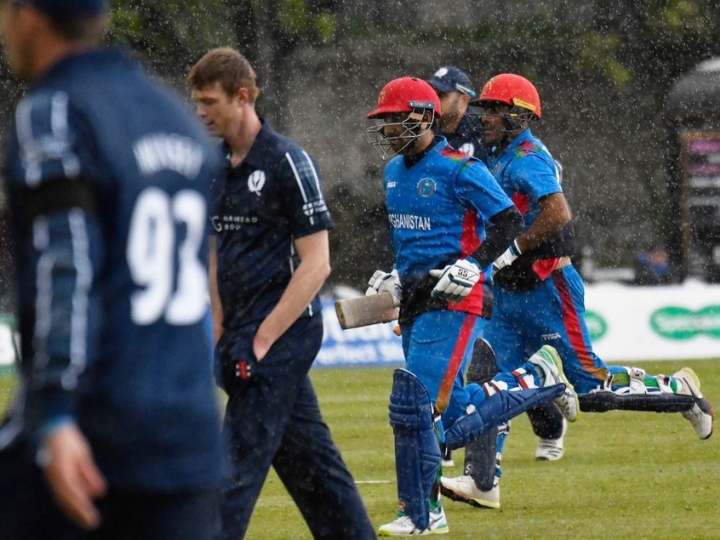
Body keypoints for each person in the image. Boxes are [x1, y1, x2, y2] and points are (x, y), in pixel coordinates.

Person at [0, 1, 226, 539]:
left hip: (96, 428)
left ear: (28, 16)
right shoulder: (176, 116)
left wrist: (55, 412)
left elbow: (67, 266)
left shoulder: (55, 112)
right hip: (188, 435)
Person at [441, 73, 715, 511]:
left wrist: (514, 247)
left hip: (549, 288)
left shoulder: (527, 156)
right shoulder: (497, 155)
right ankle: (482, 481)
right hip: (510, 295)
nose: (486, 117)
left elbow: (558, 213)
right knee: (490, 381)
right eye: (485, 109)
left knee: (594, 391)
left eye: (495, 110)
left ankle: (681, 389)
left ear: (520, 116)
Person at [365, 75, 579, 536]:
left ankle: (422, 515)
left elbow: (508, 221)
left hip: (458, 299)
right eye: (382, 122)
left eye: (393, 120)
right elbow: (414, 242)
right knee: (451, 410)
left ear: (423, 117)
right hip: (417, 303)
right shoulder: (392, 173)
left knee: (416, 406)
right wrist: (396, 276)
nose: (385, 131)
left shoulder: (460, 167)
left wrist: (474, 265)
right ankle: (537, 376)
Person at [187, 47, 376, 540]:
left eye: (209, 101)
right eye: (196, 103)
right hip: (240, 334)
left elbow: (318, 263)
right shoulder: (212, 165)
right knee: (314, 468)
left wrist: (263, 341)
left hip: (283, 332)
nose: (200, 113)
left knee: (232, 469)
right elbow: (214, 254)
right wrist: (219, 330)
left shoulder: (287, 161)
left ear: (242, 97)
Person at [426, 65, 487, 163]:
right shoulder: (427, 131)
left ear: (464, 100)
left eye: (441, 95)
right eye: (432, 94)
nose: (434, 101)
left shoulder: (484, 133)